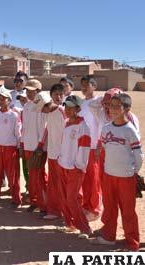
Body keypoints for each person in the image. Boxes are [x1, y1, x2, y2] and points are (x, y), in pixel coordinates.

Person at [92, 93, 143, 251]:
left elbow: (138, 155)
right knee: (110, 207)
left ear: (126, 109)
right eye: (110, 106)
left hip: (126, 177)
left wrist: (133, 171)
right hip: (109, 174)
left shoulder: (130, 130)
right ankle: (109, 236)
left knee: (127, 211)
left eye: (117, 106)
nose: (112, 109)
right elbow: (106, 148)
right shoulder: (106, 129)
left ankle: (132, 242)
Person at [57, 95, 92, 239]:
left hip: (75, 168)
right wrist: (60, 159)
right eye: (66, 107)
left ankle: (85, 228)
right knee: (65, 197)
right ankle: (70, 224)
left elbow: (84, 149)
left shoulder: (83, 127)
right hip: (63, 164)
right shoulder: (67, 123)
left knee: (71, 199)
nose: (67, 110)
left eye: (71, 107)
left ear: (78, 109)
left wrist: (79, 166)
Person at [34, 85, 66, 220]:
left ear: (47, 104)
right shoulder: (50, 114)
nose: (42, 112)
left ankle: (67, 212)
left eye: (43, 109)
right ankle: (54, 211)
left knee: (63, 185)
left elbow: (69, 133)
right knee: (53, 185)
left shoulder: (63, 112)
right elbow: (48, 130)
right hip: (52, 154)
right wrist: (41, 144)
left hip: (63, 156)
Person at [0, 87, 21, 207]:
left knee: (12, 175)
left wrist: (18, 147)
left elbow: (18, 133)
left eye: (4, 99)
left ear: (9, 100)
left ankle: (16, 199)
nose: (1, 101)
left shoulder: (14, 115)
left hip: (10, 148)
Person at [22, 79, 47, 214]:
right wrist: (22, 143)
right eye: (27, 90)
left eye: (31, 90)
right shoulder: (26, 106)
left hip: (38, 147)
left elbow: (44, 128)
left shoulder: (42, 106)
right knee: (31, 178)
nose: (28, 93)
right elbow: (24, 127)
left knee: (39, 177)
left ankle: (43, 205)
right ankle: (34, 201)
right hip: (27, 145)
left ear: (38, 91)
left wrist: (40, 145)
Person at [79, 75, 101, 221]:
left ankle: (95, 209)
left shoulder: (99, 102)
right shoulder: (81, 103)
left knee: (94, 180)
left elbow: (102, 124)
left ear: (94, 86)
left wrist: (99, 144)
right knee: (85, 179)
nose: (84, 87)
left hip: (94, 146)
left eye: (87, 85)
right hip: (82, 146)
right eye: (82, 85)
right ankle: (86, 206)